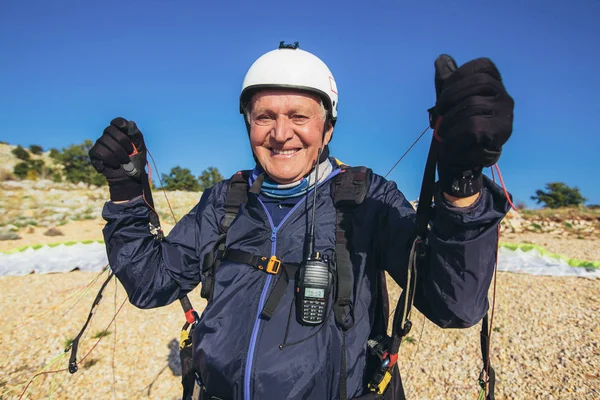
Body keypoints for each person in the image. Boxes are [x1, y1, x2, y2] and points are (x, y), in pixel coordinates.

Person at [89, 43, 514, 400]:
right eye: (264, 116)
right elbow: (150, 284)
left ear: (327, 128)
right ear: (248, 124)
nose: (280, 133)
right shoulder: (225, 200)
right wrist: (126, 192)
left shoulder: (368, 198)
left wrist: (461, 182)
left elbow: (454, 304)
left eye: (298, 116)